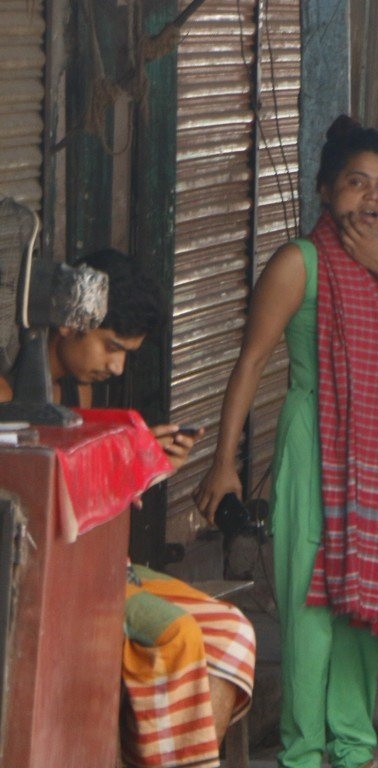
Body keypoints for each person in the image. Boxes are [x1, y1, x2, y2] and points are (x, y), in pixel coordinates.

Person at [195, 115, 378, 768]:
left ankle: (353, 745)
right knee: (311, 604)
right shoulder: (298, 261)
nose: (372, 200)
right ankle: (304, 753)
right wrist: (224, 465)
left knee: (366, 605)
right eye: (356, 183)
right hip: (318, 445)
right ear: (323, 190)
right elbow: (251, 362)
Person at [0, 248, 256, 768]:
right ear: (72, 324)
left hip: (102, 569)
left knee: (232, 632)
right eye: (111, 346)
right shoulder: (9, 392)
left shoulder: (78, 392)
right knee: (177, 635)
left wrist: (145, 460)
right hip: (51, 582)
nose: (116, 366)